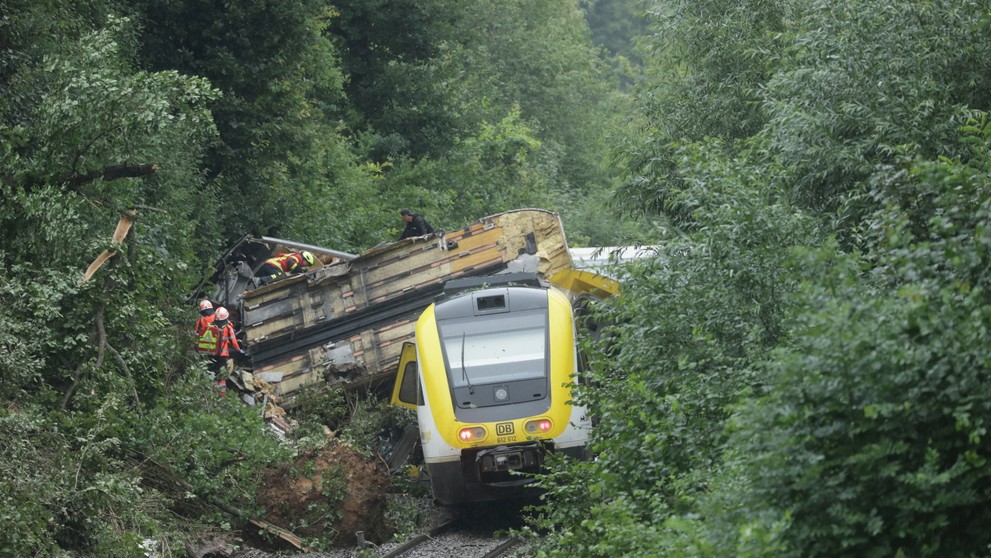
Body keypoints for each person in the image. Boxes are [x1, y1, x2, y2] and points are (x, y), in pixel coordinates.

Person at [210, 306, 244, 384]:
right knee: (222, 373)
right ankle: (222, 392)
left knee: (213, 370)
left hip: (212, 353)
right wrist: (239, 350)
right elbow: (234, 342)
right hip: (222, 354)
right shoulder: (228, 328)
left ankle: (212, 388)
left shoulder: (211, 326)